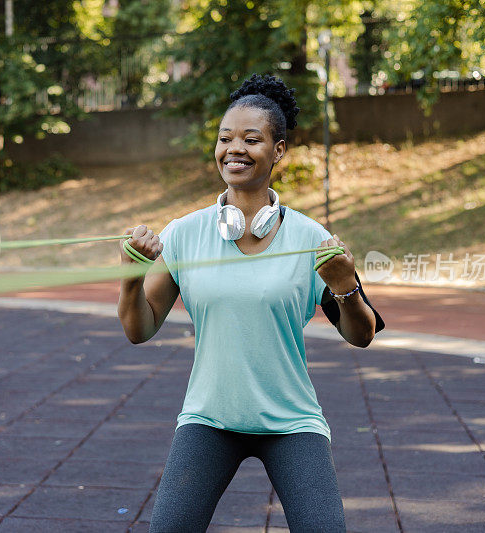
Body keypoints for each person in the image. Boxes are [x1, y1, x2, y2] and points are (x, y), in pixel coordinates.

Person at [117, 73, 385, 532]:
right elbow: (139, 330)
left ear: (278, 150)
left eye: (250, 138)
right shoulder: (184, 232)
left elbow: (361, 336)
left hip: (291, 420)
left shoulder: (310, 238)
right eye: (225, 138)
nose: (233, 149)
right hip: (209, 416)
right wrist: (132, 273)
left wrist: (345, 285)